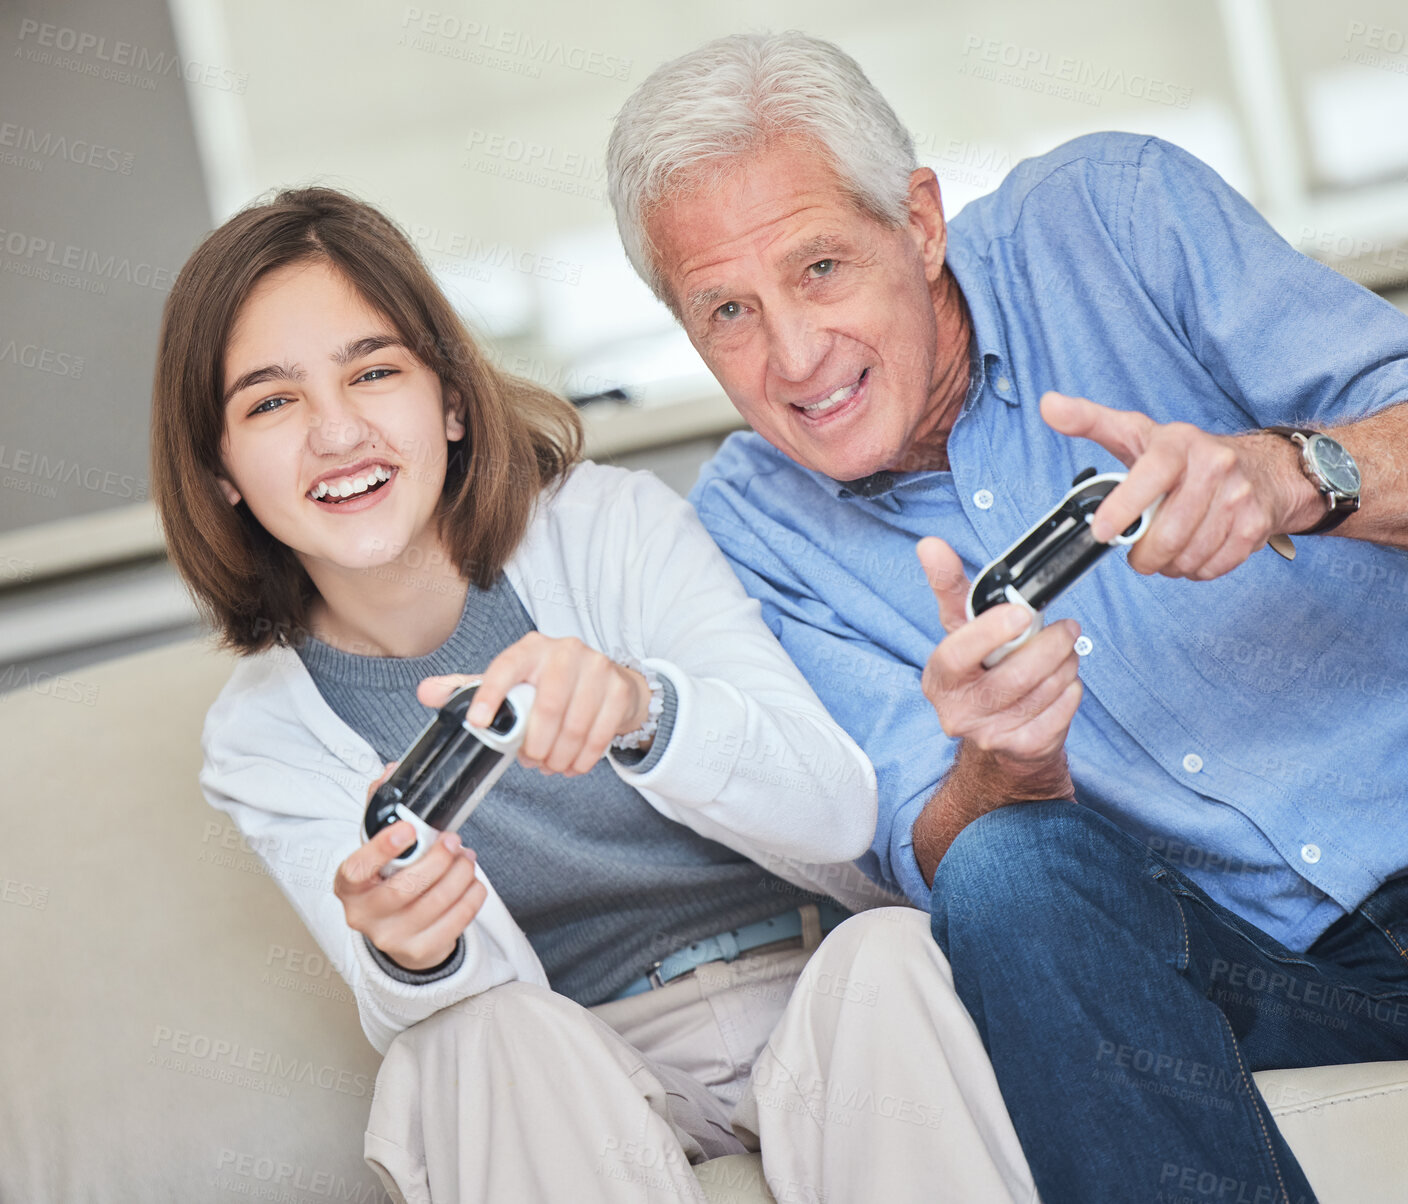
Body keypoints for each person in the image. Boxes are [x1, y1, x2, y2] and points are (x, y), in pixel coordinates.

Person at [607, 30, 1408, 1202]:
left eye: (818, 270)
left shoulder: (1110, 216)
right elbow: (922, 844)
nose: (795, 357)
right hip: (1253, 982)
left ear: (915, 222)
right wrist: (996, 765)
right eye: (725, 313)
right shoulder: (753, 525)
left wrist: (1284, 476)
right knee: (1002, 872)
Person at [153, 186, 1038, 1203]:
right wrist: (411, 946)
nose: (336, 431)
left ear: (447, 398)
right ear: (219, 467)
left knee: (889, 950)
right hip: (575, 1071)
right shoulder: (263, 734)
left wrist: (639, 708)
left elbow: (836, 808)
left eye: (375, 371)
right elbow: (430, 1010)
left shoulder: (608, 528)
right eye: (270, 402)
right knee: (470, 1039)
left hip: (817, 998)